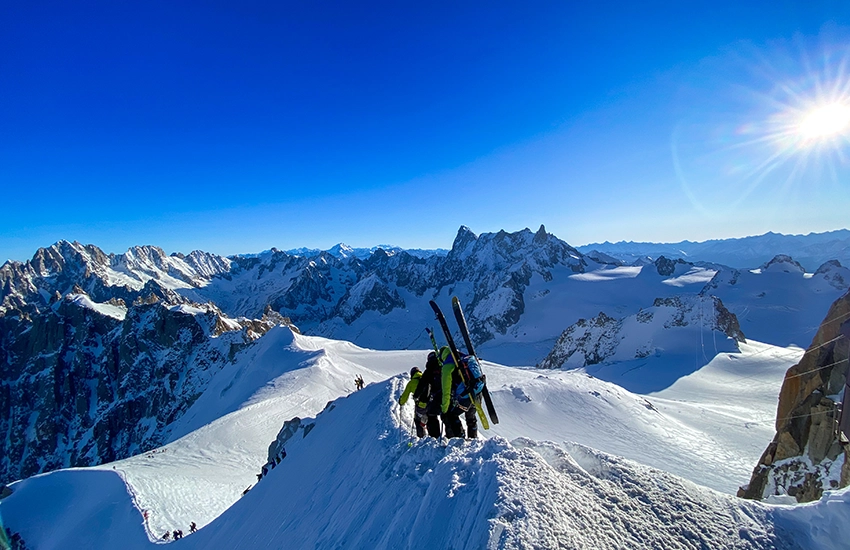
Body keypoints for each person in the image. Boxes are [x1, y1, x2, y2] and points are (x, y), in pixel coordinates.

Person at [439, 347, 478, 439]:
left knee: (451, 415)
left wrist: (444, 409)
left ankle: (459, 439)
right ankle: (473, 439)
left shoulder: (447, 366)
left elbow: (446, 390)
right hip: (476, 392)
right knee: (471, 416)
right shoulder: (463, 358)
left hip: (464, 396)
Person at [411, 352, 443, 438]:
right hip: (447, 395)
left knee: (432, 416)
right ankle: (454, 437)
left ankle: (434, 438)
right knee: (447, 416)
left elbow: (422, 384)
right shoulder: (442, 367)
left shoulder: (429, 370)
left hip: (435, 397)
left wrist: (416, 396)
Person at [399, 367, 428, 437]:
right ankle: (434, 437)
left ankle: (421, 438)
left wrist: (401, 402)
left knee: (418, 420)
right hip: (430, 404)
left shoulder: (411, 383)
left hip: (420, 406)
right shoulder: (426, 379)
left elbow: (405, 396)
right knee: (431, 419)